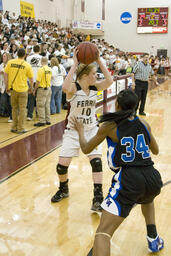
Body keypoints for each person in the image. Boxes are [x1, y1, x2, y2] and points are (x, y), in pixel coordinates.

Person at [73, 89, 164, 256]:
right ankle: (153, 239)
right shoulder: (144, 123)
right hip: (152, 176)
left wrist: (80, 131)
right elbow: (156, 151)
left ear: (117, 105)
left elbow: (86, 148)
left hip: (129, 179)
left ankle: (152, 238)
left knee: (103, 233)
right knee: (147, 198)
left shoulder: (110, 126)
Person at [51, 48, 113, 212]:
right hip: (72, 131)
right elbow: (64, 86)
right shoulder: (73, 88)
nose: (96, 76)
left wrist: (99, 61)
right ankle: (63, 189)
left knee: (97, 163)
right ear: (85, 76)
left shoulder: (95, 88)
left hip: (91, 130)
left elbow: (110, 81)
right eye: (94, 73)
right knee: (61, 167)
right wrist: (75, 64)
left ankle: (98, 198)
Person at [4, 48, 34, 134]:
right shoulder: (27, 65)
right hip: (23, 90)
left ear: (17, 54)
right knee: (22, 109)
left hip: (13, 89)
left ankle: (14, 126)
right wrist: (31, 88)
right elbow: (31, 79)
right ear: (25, 55)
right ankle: (20, 128)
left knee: (14, 108)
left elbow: (5, 75)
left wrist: (7, 86)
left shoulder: (10, 62)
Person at [34, 57, 52, 126]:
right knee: (47, 105)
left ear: (41, 62)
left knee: (40, 105)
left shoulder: (41, 70)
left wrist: (35, 89)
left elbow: (38, 81)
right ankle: (48, 120)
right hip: (48, 88)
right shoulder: (50, 69)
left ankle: (42, 121)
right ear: (47, 62)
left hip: (42, 89)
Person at [26, 44, 42, 121]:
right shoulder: (42, 58)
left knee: (30, 99)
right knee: (39, 98)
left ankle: (29, 115)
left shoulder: (28, 58)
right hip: (39, 80)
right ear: (39, 50)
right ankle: (38, 113)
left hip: (30, 80)